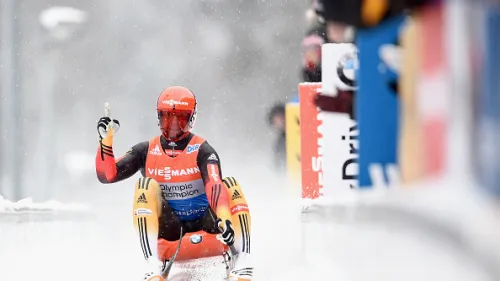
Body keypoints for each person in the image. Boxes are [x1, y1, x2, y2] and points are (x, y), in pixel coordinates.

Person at [95, 86, 253, 281]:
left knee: (230, 183)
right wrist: (105, 142)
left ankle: (243, 262)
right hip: (169, 228)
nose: (174, 125)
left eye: (181, 118)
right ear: (158, 118)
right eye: (168, 118)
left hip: (207, 223)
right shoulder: (145, 150)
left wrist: (223, 218)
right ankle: (151, 267)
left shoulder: (203, 150)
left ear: (191, 119)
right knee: (144, 185)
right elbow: (107, 175)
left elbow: (214, 184)